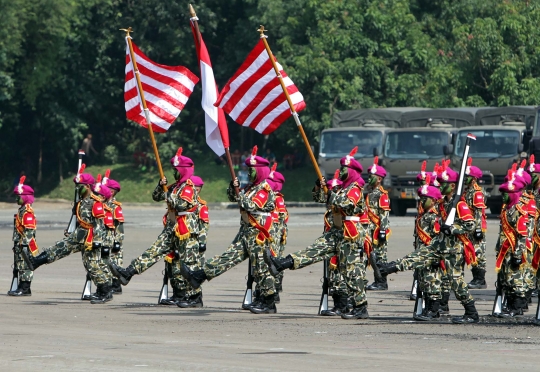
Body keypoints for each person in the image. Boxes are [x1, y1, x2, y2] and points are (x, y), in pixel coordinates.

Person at [264, 146, 370, 319]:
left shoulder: (356, 188)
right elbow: (322, 199)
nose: (342, 170)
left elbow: (346, 203)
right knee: (313, 250)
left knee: (351, 270)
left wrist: (331, 196)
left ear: (352, 171)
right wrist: (320, 186)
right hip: (336, 231)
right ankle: (282, 264)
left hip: (349, 234)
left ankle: (360, 306)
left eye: (345, 168)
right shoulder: (343, 187)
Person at [180, 146, 279, 314]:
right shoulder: (250, 188)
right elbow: (234, 198)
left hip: (258, 233)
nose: (249, 172)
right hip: (246, 231)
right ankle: (199, 276)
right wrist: (234, 187)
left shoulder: (264, 189)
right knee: (227, 258)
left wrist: (240, 196)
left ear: (260, 171)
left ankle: (268, 301)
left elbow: (251, 205)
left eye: (252, 170)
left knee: (261, 267)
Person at [380, 162, 481, 324]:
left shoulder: (459, 204)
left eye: (444, 184)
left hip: (452, 249)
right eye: (440, 183)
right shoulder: (444, 204)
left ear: (453, 186)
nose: (440, 186)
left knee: (456, 281)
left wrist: (452, 228)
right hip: (439, 245)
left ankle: (471, 312)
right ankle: (389, 268)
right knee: (418, 256)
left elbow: (471, 224)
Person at [110, 148, 199, 290]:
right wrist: (160, 186)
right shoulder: (176, 187)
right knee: (154, 250)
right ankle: (128, 272)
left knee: (188, 262)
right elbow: (156, 197)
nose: (173, 172)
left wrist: (167, 196)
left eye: (176, 169)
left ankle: (194, 295)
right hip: (172, 226)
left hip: (185, 226)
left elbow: (181, 205)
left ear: (183, 170)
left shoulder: (188, 187)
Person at [27, 166, 114, 304]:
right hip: (79, 234)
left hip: (89, 238)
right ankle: (37, 261)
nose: (78, 189)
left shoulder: (95, 203)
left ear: (87, 186)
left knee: (87, 262)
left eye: (80, 186)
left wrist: (97, 241)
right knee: (71, 253)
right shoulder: (81, 202)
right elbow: (80, 219)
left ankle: (105, 290)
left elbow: (99, 224)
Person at [161, 175, 208, 308]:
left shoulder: (200, 205)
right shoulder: (183, 202)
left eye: (197, 188)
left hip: (193, 240)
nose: (195, 190)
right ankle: (181, 294)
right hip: (180, 235)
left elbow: (204, 225)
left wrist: (202, 241)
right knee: (176, 269)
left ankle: (195, 296)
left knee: (191, 267)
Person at [493, 171, 529, 317]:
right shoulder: (507, 209)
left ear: (513, 194)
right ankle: (510, 305)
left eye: (506, 193)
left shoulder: (519, 211)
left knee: (516, 279)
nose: (503, 196)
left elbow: (522, 235)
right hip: (505, 250)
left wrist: (518, 254)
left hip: (515, 250)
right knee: (507, 279)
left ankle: (517, 307)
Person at [9, 176, 38, 296]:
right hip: (20, 244)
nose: (16, 199)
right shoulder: (21, 210)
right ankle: (21, 286)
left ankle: (25, 288)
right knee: (20, 265)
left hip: (26, 244)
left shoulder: (27, 212)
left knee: (26, 266)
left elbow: (29, 229)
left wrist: (24, 243)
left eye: (18, 196)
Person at [365, 156, 391, 291]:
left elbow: (384, 214)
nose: (369, 178)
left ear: (379, 179)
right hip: (367, 229)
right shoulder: (367, 191)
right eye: (369, 175)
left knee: (379, 257)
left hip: (377, 229)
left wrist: (383, 231)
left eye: (372, 176)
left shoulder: (382, 194)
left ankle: (381, 282)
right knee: (367, 255)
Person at [463, 159, 488, 289]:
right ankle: (475, 277)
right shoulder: (467, 191)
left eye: (468, 177)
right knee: (470, 252)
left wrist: (477, 229)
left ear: (474, 178)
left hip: (476, 227)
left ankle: (480, 279)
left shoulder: (477, 193)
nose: (465, 178)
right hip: (468, 227)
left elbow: (478, 213)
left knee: (478, 253)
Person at [102, 171, 125, 294]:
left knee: (115, 261)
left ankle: (116, 285)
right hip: (103, 237)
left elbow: (119, 227)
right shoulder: (101, 203)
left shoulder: (115, 207)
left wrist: (118, 242)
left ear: (111, 191)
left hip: (113, 237)